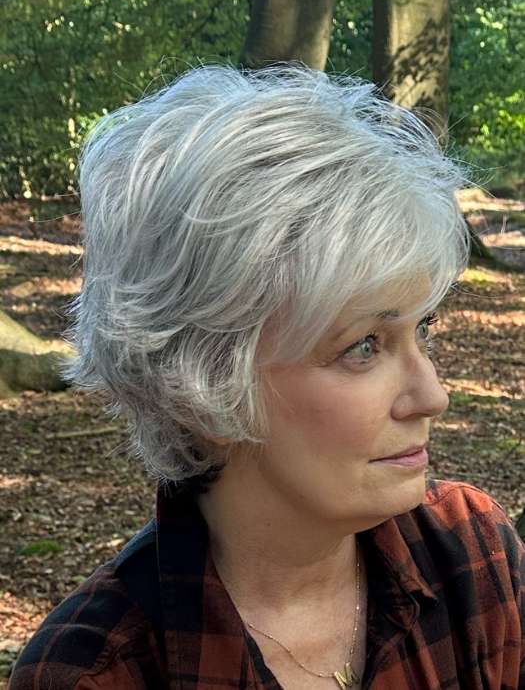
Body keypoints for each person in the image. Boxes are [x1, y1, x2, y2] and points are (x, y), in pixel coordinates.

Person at [9, 65, 525, 690]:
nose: (433, 396)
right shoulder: (97, 674)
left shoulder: (471, 556)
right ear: (205, 379)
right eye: (364, 346)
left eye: (424, 329)